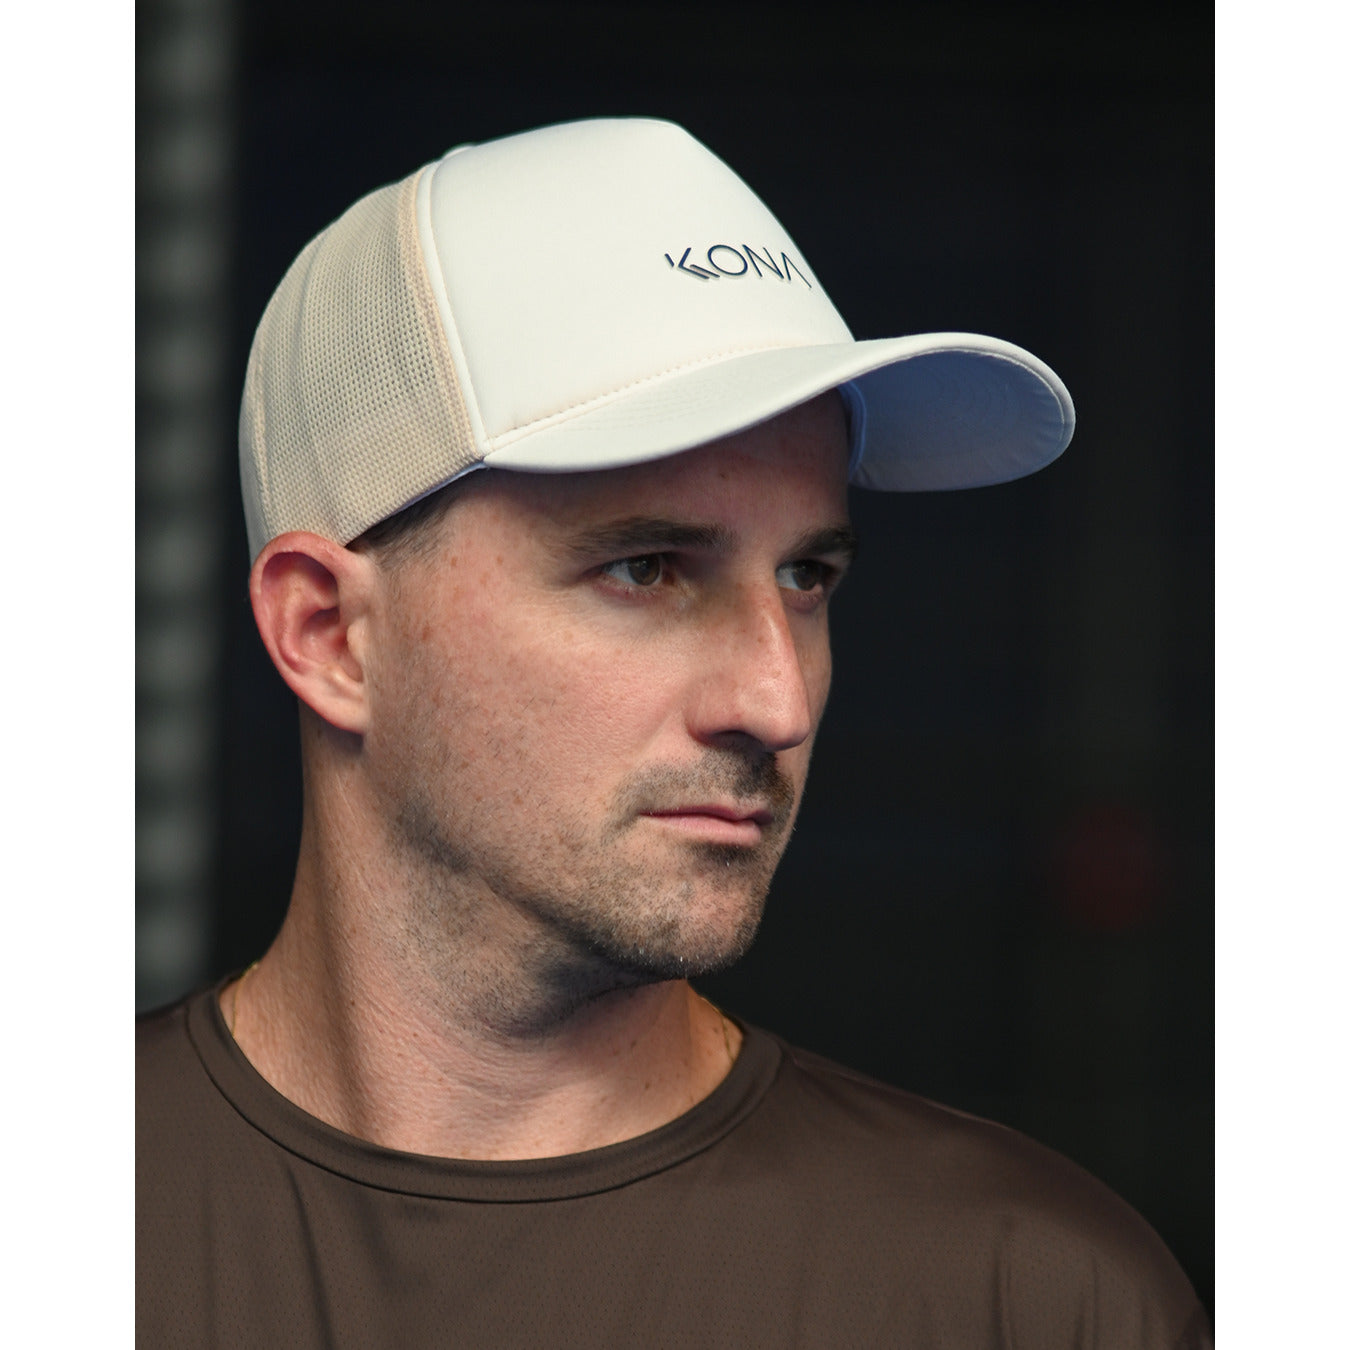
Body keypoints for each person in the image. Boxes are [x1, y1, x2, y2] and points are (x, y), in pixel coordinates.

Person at [137, 117, 1211, 1348]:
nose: (777, 703)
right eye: (646, 569)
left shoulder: (1025, 1301)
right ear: (329, 634)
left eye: (806, 577)